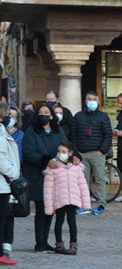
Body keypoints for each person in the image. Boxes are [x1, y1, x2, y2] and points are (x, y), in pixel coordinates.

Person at [23, 105, 67, 251]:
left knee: (50, 208)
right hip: (38, 175)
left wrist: (68, 158)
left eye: (46, 113)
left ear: (52, 116)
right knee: (41, 207)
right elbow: (28, 153)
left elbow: (65, 147)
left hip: (55, 174)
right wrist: (45, 160)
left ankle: (45, 240)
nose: (43, 115)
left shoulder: (58, 131)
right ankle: (39, 242)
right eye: (41, 113)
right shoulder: (31, 132)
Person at [43, 140, 88, 255]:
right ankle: (59, 244)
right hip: (59, 199)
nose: (61, 153)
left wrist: (86, 203)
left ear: (70, 153)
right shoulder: (53, 167)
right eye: (59, 151)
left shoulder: (76, 167)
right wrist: (48, 207)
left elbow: (82, 185)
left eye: (64, 151)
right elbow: (48, 187)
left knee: (72, 222)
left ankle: (73, 244)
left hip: (73, 199)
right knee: (59, 221)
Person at [71, 90, 112, 215]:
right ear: (85, 101)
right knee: (83, 180)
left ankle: (101, 204)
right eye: (89, 99)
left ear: (98, 101)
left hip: (97, 153)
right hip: (82, 153)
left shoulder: (103, 117)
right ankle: (84, 204)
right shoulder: (78, 116)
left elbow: (108, 135)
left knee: (100, 179)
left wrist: (102, 150)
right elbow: (73, 135)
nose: (92, 102)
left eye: (94, 99)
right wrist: (75, 152)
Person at [0, 101, 21, 265]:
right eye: (7, 114)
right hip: (2, 183)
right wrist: (14, 174)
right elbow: (1, 159)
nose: (9, 117)